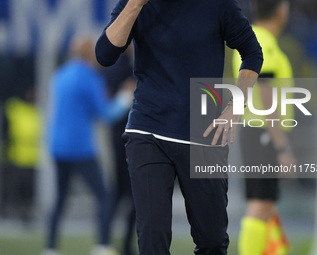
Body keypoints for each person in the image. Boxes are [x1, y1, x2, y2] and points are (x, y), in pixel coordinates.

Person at [96, 0, 263, 254]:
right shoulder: (136, 4)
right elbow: (104, 55)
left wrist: (235, 108)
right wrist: (135, 5)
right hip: (147, 131)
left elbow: (252, 52)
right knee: (152, 240)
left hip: (203, 134)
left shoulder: (218, 4)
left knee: (213, 241)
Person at [44, 35, 132, 255]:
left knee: (60, 199)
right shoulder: (89, 78)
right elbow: (105, 114)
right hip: (80, 147)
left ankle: (50, 248)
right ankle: (102, 245)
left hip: (57, 145)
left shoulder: (59, 75)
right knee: (104, 197)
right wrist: (124, 98)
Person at [232, 1, 296, 254]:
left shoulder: (257, 37)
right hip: (262, 132)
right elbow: (265, 94)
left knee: (265, 203)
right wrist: (282, 146)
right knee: (259, 204)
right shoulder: (262, 40)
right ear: (280, 10)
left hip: (257, 131)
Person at [100, 45, 137, 255]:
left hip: (128, 135)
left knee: (126, 193)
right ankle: (109, 243)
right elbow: (108, 104)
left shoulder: (126, 65)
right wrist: (125, 93)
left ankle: (111, 243)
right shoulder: (116, 66)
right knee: (126, 192)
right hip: (123, 136)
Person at [0, 87, 41, 226]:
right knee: (13, 188)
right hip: (16, 157)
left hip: (33, 159)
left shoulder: (38, 112)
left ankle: (25, 215)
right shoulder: (16, 109)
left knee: (28, 191)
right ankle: (8, 211)